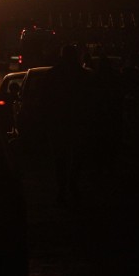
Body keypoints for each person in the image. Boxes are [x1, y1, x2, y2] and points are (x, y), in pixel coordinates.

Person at [40, 43, 93, 206]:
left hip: (58, 123)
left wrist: (46, 120)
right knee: (76, 157)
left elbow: (45, 100)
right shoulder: (84, 76)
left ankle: (63, 188)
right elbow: (90, 101)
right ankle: (72, 185)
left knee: (60, 158)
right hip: (77, 122)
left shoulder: (52, 75)